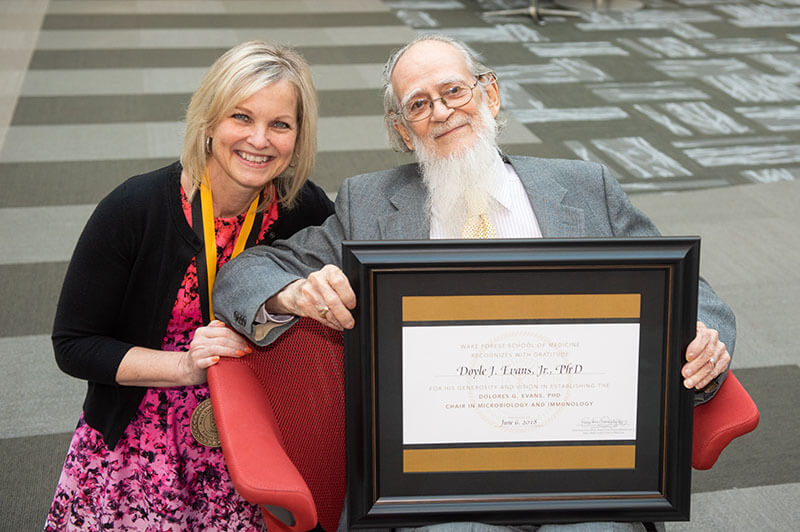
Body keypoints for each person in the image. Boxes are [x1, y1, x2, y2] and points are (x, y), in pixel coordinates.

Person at [213, 34, 735, 532]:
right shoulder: (369, 206)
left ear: (490, 95)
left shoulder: (583, 188)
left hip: (584, 466)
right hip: (435, 484)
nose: (440, 113)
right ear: (401, 130)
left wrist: (701, 339)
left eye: (454, 91)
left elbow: (691, 290)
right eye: (418, 105)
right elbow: (245, 273)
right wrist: (293, 293)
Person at [45, 41, 334, 531]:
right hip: (144, 435)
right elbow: (73, 345)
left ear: (298, 136)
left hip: (259, 435)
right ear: (208, 122)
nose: (259, 140)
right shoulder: (134, 209)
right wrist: (183, 367)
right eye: (241, 117)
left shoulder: (305, 210)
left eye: (280, 124)